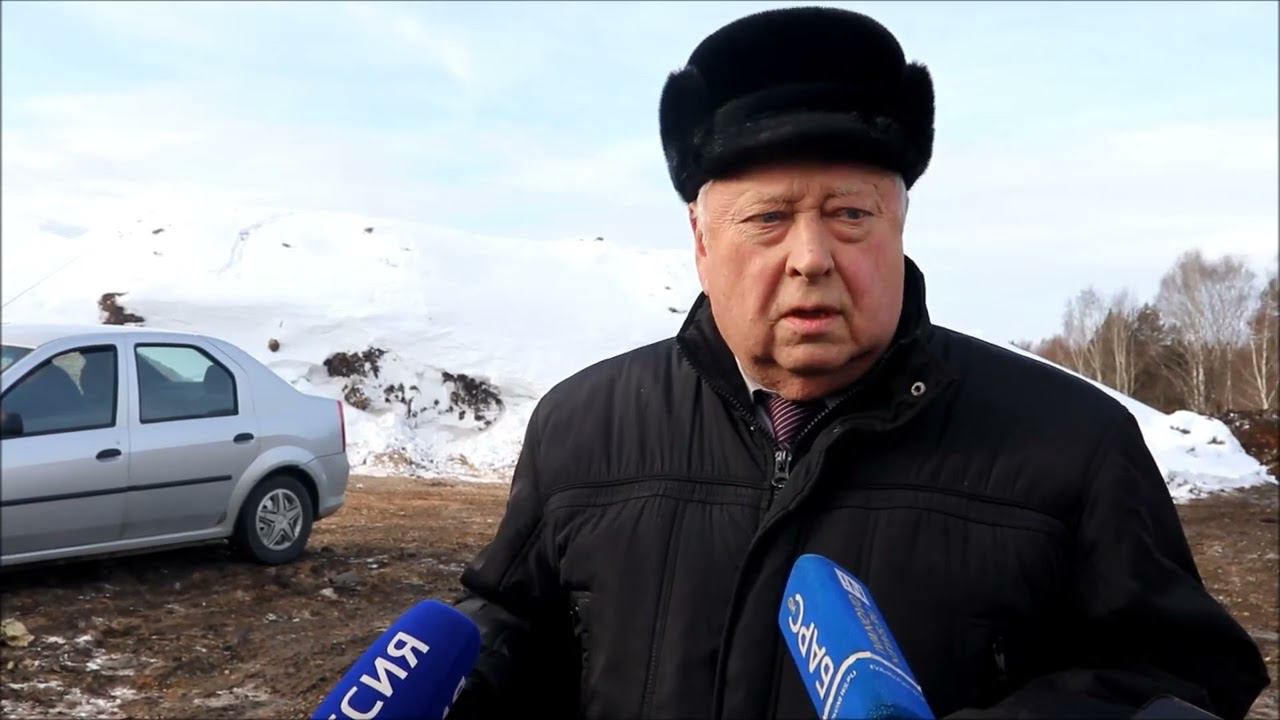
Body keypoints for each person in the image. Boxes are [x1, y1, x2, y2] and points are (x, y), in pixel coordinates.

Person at [448, 6, 1269, 718]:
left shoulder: (1074, 444)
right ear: (700, 240)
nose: (811, 257)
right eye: (767, 219)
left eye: (849, 215)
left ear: (899, 225)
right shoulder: (582, 428)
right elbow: (512, 625)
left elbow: (1184, 677)